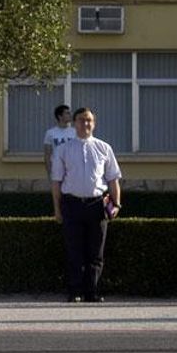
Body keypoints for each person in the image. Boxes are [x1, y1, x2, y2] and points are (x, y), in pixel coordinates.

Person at [49, 107, 121, 303]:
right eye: (81, 120)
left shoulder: (104, 148)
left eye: (89, 120)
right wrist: (57, 209)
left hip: (97, 205)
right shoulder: (63, 149)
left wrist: (116, 205)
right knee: (74, 251)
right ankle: (75, 292)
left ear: (94, 123)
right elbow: (56, 181)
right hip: (72, 204)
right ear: (74, 123)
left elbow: (113, 179)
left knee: (96, 252)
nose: (85, 124)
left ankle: (92, 292)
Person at [43, 104, 78, 179]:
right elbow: (47, 155)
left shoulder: (75, 132)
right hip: (57, 169)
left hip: (72, 169)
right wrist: (49, 172)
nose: (70, 115)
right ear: (60, 116)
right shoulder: (50, 133)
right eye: (67, 113)